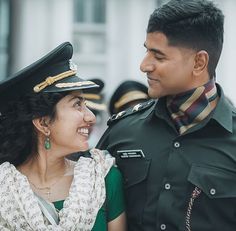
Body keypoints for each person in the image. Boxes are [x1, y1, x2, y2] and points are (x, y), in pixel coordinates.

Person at [97, 0, 236, 230]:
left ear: (199, 62)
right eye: (146, 51)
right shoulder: (122, 131)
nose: (144, 65)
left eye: (158, 56)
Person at [0, 42, 126, 230]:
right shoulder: (5, 188)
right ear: (43, 123)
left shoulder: (103, 180)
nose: (91, 117)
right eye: (77, 104)